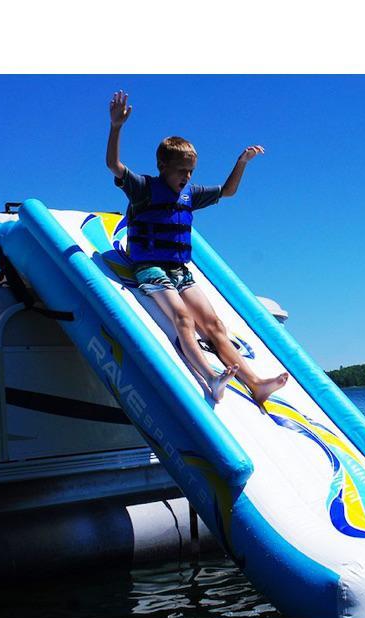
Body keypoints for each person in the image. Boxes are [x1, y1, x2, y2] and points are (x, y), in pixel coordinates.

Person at [106, 90, 288, 404]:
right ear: (163, 166)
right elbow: (114, 164)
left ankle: (256, 383)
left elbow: (228, 192)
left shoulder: (190, 194)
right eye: (181, 171)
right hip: (148, 267)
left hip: (179, 270)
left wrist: (241, 162)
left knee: (215, 324)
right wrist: (116, 126)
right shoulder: (144, 188)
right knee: (184, 319)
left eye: (191, 171)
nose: (187, 177)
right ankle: (211, 375)